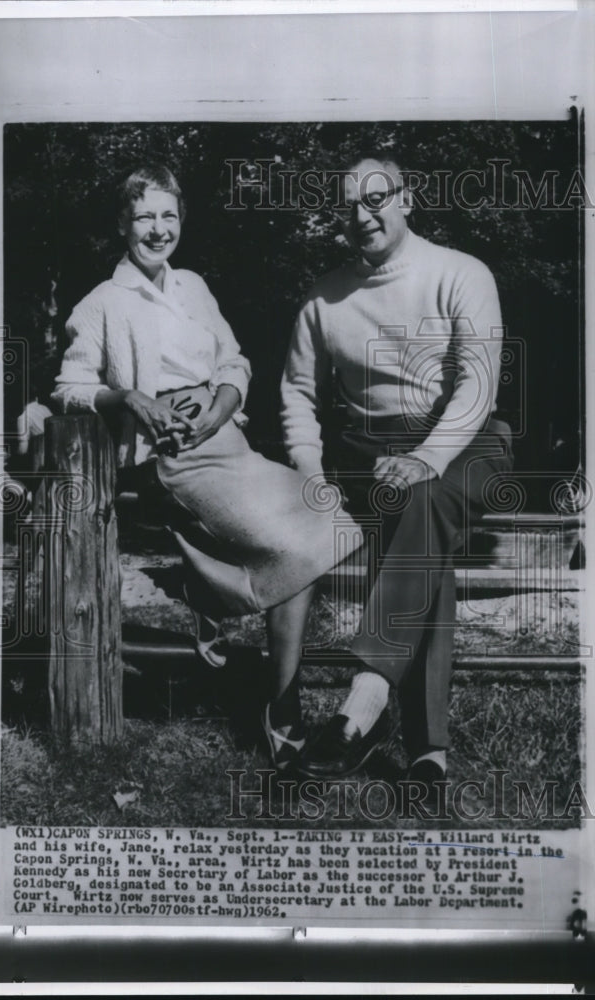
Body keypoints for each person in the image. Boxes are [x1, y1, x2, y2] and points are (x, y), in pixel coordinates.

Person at [51, 163, 362, 772]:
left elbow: (235, 363)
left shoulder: (193, 285)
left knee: (320, 523)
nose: (158, 229)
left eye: (168, 216)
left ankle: (265, 678)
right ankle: (284, 706)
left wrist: (221, 408)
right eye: (144, 216)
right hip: (172, 460)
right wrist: (131, 400)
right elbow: (69, 387)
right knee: (290, 547)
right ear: (123, 223)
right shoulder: (101, 303)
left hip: (227, 444)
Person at [281, 152, 513, 789]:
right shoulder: (324, 298)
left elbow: (477, 385)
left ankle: (365, 700)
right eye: (352, 203)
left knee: (424, 499)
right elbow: (298, 393)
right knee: (421, 531)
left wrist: (423, 459)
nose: (364, 214)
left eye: (377, 198)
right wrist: (310, 469)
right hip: (368, 454)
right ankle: (427, 755)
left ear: (407, 200)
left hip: (469, 445)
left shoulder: (461, 273)